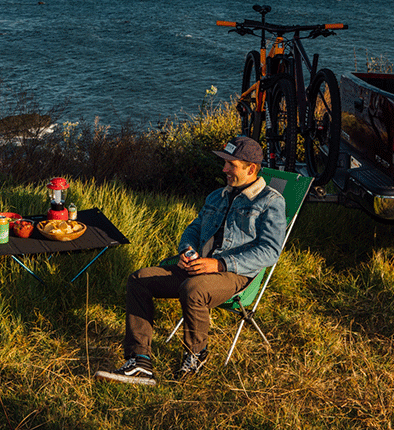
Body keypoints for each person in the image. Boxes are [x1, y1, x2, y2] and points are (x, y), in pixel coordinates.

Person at [95, 136, 286, 385]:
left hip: (234, 274)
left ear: (251, 169)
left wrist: (219, 264)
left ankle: (196, 354)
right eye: (225, 163)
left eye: (231, 165)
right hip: (199, 266)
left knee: (193, 289)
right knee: (139, 279)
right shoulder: (217, 196)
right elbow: (194, 229)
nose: (224, 169)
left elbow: (270, 251)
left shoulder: (271, 201)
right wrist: (187, 251)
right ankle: (139, 361)